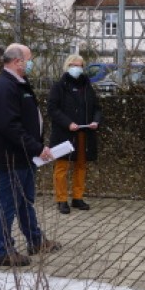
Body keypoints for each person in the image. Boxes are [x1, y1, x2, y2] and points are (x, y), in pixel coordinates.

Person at [0, 43, 61, 267]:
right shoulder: (3, 87)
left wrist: (36, 147)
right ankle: (4, 250)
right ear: (18, 61)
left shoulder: (19, 84)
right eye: (29, 59)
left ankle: (35, 240)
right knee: (7, 205)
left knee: (25, 202)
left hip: (25, 156)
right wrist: (37, 147)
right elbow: (10, 126)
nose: (31, 62)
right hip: (12, 157)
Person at [48, 54, 102, 215]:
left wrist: (96, 121)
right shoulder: (58, 86)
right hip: (64, 134)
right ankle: (61, 199)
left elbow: (97, 108)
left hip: (84, 133)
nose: (76, 68)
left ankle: (78, 197)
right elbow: (52, 109)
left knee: (80, 166)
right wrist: (68, 123)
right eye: (73, 65)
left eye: (79, 65)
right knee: (62, 167)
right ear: (67, 66)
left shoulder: (87, 87)